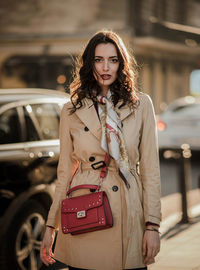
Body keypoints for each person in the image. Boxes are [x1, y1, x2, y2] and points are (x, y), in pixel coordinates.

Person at [40, 30, 161, 270]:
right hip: (85, 210)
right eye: (98, 60)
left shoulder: (141, 105)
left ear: (121, 64)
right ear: (89, 64)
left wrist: (152, 226)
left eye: (113, 60)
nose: (106, 67)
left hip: (127, 210)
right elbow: (65, 170)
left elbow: (150, 169)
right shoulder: (71, 110)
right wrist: (50, 226)